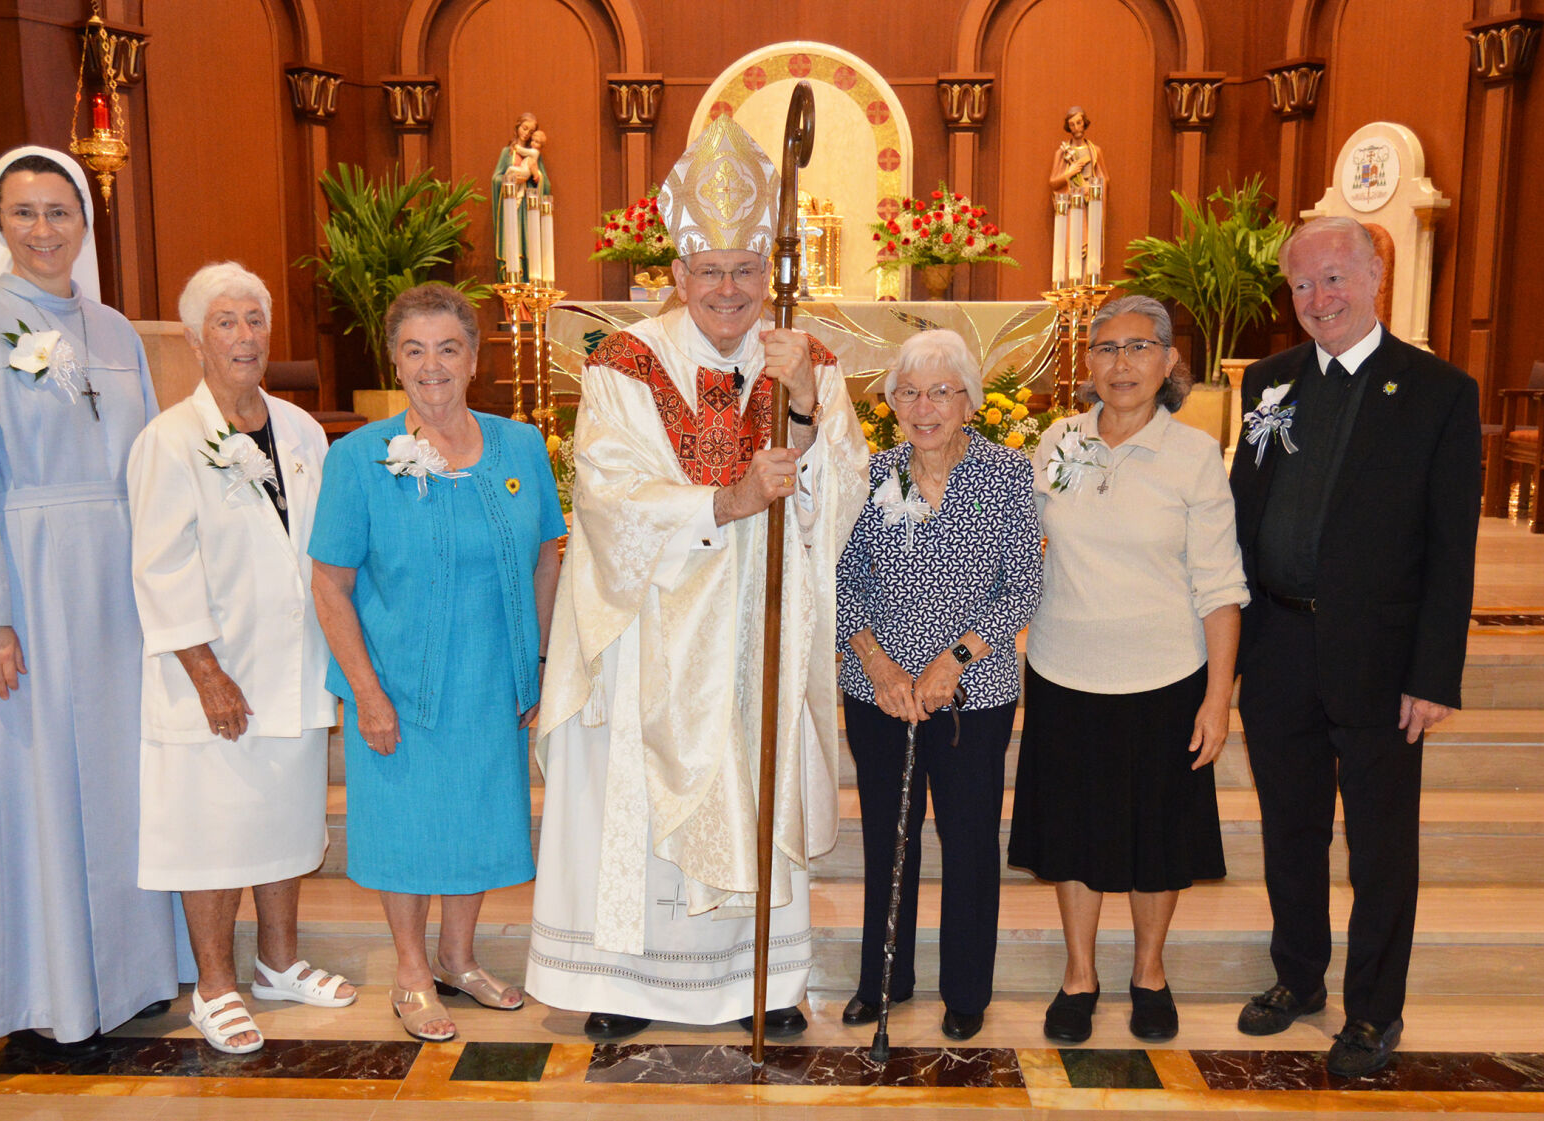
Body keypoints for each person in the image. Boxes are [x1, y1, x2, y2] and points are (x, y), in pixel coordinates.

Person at [525, 114, 870, 1042]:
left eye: (745, 270)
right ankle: (625, 983)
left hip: (759, 628)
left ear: (771, 274)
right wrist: (722, 503)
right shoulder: (623, 363)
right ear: (674, 272)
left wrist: (802, 408)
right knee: (632, 801)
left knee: (754, 790)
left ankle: (764, 982)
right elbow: (606, 494)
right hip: (650, 634)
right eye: (708, 270)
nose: (728, 290)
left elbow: (842, 495)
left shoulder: (808, 359)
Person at [0, 145, 177, 1045]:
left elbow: (149, 464)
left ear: (85, 223)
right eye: (24, 213)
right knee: (38, 780)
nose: (43, 230)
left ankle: (135, 968)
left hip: (116, 587)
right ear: (0, 225)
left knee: (121, 778)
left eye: (58, 212)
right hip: (28, 589)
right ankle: (46, 985)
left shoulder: (115, 333)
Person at [1229, 216, 1481, 1077]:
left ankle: (1373, 1010)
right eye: (1301, 284)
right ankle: (1297, 979)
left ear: (1374, 275)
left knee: (1379, 845)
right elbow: (1240, 517)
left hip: (1380, 661)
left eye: (1333, 278)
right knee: (1289, 828)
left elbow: (1452, 551)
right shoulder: (1267, 382)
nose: (1316, 299)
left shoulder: (1438, 391)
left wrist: (1432, 673)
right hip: (1277, 647)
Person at [309, 282, 564, 1043]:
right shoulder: (359, 457)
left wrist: (541, 662)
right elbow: (329, 582)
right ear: (394, 359)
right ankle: (411, 971)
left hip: (491, 675)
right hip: (399, 681)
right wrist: (366, 691)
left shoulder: (519, 444)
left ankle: (458, 957)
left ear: (474, 357)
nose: (431, 365)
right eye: (414, 350)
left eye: (447, 348)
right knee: (408, 828)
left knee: (480, 818)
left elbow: (547, 554)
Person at [127, 262, 357, 1054]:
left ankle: (280, 962)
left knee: (284, 818)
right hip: (212, 674)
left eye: (254, 320)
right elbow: (159, 567)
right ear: (195, 338)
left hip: (290, 665)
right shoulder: (169, 439)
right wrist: (207, 674)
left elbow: (323, 549)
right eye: (226, 322)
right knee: (213, 830)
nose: (245, 336)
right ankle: (216, 986)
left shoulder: (300, 430)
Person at [1009, 294, 1247, 1046]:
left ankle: (1149, 970)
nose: (1121, 365)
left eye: (1138, 348)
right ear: (1087, 363)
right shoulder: (1058, 441)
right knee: (1072, 833)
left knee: (1157, 838)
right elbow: (1018, 551)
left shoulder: (1193, 454)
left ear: (1169, 361)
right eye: (1106, 348)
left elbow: (1221, 585)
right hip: (1063, 667)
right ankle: (1079, 974)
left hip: (1164, 674)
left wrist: (1217, 698)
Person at [835, 329, 1041, 1042]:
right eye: (909, 392)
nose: (925, 407)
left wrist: (952, 660)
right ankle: (881, 979)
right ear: (891, 402)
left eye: (941, 391)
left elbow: (1021, 585)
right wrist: (876, 663)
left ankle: (966, 989)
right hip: (879, 694)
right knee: (887, 841)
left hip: (972, 697)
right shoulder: (871, 474)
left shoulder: (1005, 475)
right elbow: (837, 578)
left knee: (968, 839)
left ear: (969, 401)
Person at [1049, 107, 1109, 286]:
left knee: (1090, 249)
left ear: (1085, 123)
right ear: (1068, 127)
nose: (1076, 127)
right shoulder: (1062, 153)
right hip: (1072, 207)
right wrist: (1070, 173)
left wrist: (1093, 190)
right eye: (1072, 124)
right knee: (1071, 249)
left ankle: (1087, 291)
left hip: (1090, 206)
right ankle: (1070, 290)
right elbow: (1053, 182)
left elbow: (1104, 178)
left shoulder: (1095, 151)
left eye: (1079, 122)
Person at [491, 111, 552, 278]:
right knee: (511, 245)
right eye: (525, 128)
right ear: (518, 127)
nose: (526, 133)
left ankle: (527, 283)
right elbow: (496, 179)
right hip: (510, 207)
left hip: (526, 209)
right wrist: (509, 181)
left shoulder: (533, 154)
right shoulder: (507, 153)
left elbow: (545, 185)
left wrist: (535, 175)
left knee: (527, 246)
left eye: (531, 132)